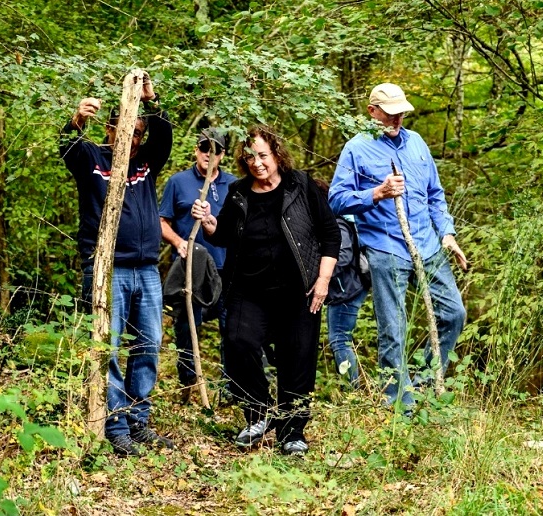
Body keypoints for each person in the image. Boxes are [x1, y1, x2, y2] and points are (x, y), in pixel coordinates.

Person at [191, 125, 340, 456]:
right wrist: (208, 221)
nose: (257, 162)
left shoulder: (299, 185)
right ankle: (258, 413)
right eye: (250, 157)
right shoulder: (238, 191)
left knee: (296, 358)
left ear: (276, 154)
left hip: (299, 291)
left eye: (263, 155)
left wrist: (323, 281)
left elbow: (331, 235)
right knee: (238, 343)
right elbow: (224, 234)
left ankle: (292, 432)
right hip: (249, 289)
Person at [328, 82, 469, 410]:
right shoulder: (357, 148)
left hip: (428, 245)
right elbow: (336, 200)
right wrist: (376, 193)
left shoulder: (417, 143)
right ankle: (397, 405)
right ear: (372, 111)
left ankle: (419, 381)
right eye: (389, 114)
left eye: (401, 113)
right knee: (394, 328)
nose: (396, 120)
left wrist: (446, 232)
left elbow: (435, 193)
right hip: (385, 247)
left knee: (454, 313)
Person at [59, 72, 175, 456]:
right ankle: (114, 422)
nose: (134, 138)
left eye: (140, 133)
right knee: (106, 345)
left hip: (146, 268)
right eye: (128, 129)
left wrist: (150, 100)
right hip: (107, 268)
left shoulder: (145, 164)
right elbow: (66, 147)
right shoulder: (93, 158)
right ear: (112, 127)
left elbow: (165, 138)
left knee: (149, 343)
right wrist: (77, 118)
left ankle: (139, 419)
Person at [159, 129, 235, 403]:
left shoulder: (234, 185)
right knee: (186, 327)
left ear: (222, 155)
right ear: (196, 150)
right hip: (191, 269)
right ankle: (187, 382)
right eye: (204, 147)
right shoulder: (178, 182)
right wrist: (179, 242)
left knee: (232, 328)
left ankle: (230, 389)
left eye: (214, 150)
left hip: (228, 268)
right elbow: (162, 221)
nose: (208, 154)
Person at [314, 179, 370, 389]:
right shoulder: (333, 221)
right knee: (340, 339)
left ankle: (352, 389)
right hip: (345, 288)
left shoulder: (336, 222)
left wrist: (320, 276)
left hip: (347, 290)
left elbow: (343, 256)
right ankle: (351, 386)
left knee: (339, 339)